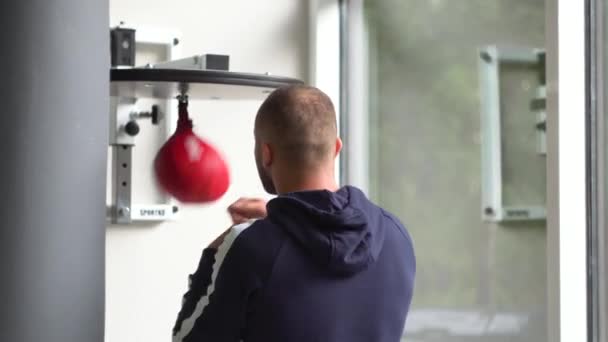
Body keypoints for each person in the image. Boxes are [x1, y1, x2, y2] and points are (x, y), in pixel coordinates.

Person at [172, 85, 416, 342]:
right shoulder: (395, 235)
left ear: (266, 153)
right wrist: (282, 219)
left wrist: (215, 251)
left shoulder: (250, 248)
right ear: (335, 148)